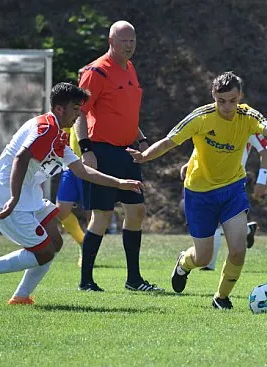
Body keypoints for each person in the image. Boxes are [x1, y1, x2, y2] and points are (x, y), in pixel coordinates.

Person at [0, 82, 144, 305]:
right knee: (44, 252)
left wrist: (119, 183)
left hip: (27, 198)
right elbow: (21, 158)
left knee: (54, 242)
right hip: (8, 200)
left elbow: (81, 170)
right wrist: (13, 197)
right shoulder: (46, 129)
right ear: (60, 109)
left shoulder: (56, 134)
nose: (79, 114)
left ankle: (21, 297)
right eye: (76, 108)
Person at [127, 71, 267, 309]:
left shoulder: (247, 115)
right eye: (221, 100)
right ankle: (183, 263)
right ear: (213, 95)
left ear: (240, 97)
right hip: (199, 192)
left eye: (233, 100)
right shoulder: (201, 117)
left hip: (232, 189)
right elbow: (170, 140)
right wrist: (144, 155)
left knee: (237, 250)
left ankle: (221, 297)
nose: (227, 106)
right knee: (203, 257)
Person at [74, 20, 163, 292]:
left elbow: (125, 113)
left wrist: (143, 139)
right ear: (111, 41)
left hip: (127, 153)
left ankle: (133, 280)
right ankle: (86, 280)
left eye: (132, 41)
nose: (129, 45)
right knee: (101, 216)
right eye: (124, 40)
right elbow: (79, 112)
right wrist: (86, 149)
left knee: (137, 211)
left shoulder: (131, 69)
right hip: (101, 150)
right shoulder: (96, 72)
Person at [179, 132, 267, 270]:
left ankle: (208, 265)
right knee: (217, 222)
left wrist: (262, 180)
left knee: (217, 222)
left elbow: (265, 152)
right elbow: (205, 146)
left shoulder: (248, 121)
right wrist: (190, 162)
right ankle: (246, 230)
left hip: (233, 183)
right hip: (206, 181)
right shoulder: (214, 117)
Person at [55, 127, 88, 267]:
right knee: (61, 212)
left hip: (90, 168)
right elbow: (64, 131)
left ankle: (89, 254)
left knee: (92, 215)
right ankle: (83, 244)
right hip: (70, 168)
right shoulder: (74, 110)